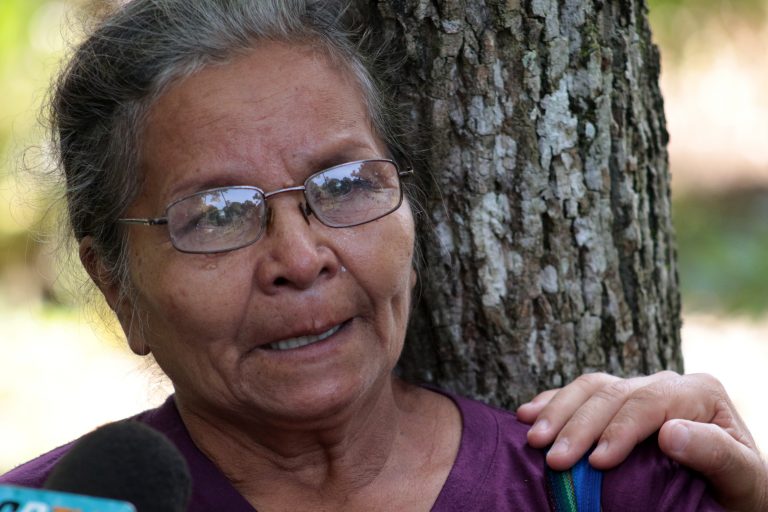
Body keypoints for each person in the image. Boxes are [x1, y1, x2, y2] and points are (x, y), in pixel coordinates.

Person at [0, 1, 762, 510]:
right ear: (116, 285)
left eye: (344, 184)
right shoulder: (54, 509)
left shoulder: (611, 490)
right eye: (217, 214)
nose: (300, 259)